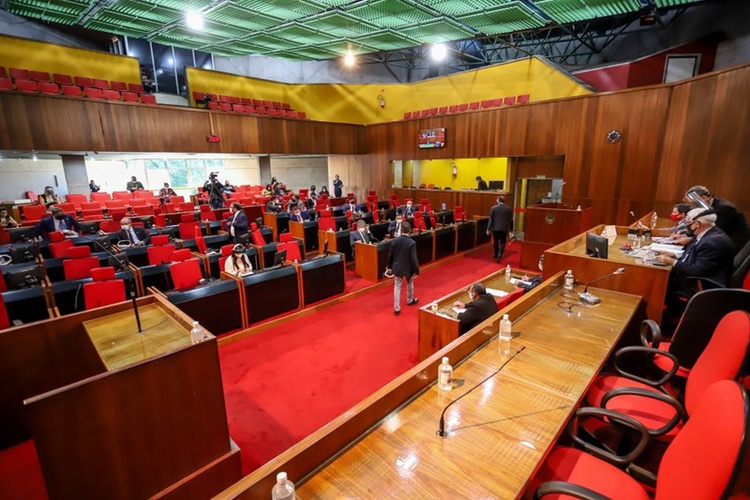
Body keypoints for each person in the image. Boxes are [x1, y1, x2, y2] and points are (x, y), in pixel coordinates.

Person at [656, 208, 735, 325]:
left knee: (659, 283)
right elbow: (695, 257)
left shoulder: (711, 242)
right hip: (703, 275)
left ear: (697, 224)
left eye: (689, 224)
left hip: (703, 283)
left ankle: (679, 314)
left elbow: (697, 270)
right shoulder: (711, 233)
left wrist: (671, 262)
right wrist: (675, 255)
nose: (688, 228)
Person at [684, 185, 750, 254]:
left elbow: (713, 231)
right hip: (717, 242)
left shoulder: (725, 208)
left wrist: (690, 239)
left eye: (693, 203)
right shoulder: (709, 208)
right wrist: (686, 235)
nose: (692, 207)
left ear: (704, 198)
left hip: (732, 247)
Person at [386, 221, 419, 316]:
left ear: (401, 230)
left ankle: (396, 307)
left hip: (398, 267)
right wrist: (416, 270)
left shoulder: (394, 241)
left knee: (397, 286)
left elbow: (390, 255)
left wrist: (389, 267)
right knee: (410, 283)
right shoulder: (412, 243)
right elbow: (413, 258)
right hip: (408, 268)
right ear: (410, 231)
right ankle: (410, 300)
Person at [487, 195, 514, 262]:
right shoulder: (508, 209)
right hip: (504, 228)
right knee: (502, 242)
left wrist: (488, 229)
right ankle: (499, 255)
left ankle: (495, 254)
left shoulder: (493, 208)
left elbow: (491, 219)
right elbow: (510, 220)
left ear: (498, 200)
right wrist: (511, 230)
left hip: (495, 228)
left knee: (495, 241)